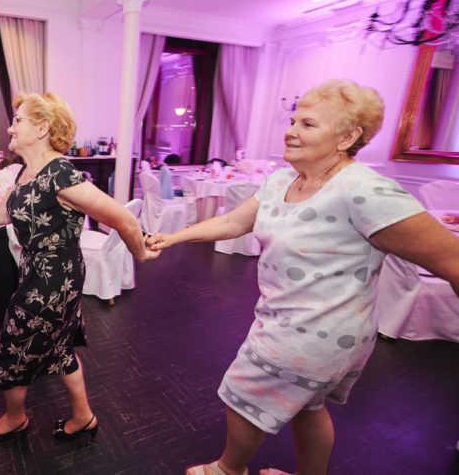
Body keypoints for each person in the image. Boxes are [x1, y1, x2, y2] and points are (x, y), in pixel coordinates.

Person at [147, 79, 459, 475]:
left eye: (308, 124)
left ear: (347, 137)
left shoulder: (365, 190)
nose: (291, 131)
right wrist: (174, 237)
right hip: (286, 319)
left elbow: (452, 260)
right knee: (308, 406)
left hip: (318, 333)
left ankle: (227, 470)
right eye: (293, 121)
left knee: (241, 395)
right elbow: (232, 222)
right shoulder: (281, 181)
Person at [0, 92, 159, 442]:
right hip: (37, 272)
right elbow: (1, 214)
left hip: (53, 281)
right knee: (59, 347)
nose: (10, 129)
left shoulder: (61, 174)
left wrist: (141, 254)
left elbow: (124, 219)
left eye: (18, 121)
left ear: (42, 129)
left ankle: (15, 420)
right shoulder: (28, 171)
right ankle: (83, 417)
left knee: (12, 346)